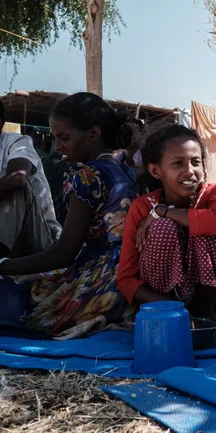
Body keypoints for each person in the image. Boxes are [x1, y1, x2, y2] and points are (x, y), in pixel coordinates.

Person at [0, 93, 136, 336]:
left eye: (64, 138)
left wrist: (4, 266)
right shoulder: (123, 169)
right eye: (55, 138)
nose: (57, 146)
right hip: (128, 278)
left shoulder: (87, 177)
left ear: (93, 134)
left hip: (101, 281)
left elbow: (64, 254)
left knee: (15, 302)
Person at [118, 125, 216, 321]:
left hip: (208, 298)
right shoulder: (142, 208)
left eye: (196, 162)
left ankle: (204, 313)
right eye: (178, 163)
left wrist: (164, 211)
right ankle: (178, 310)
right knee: (163, 228)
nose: (189, 171)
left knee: (204, 226)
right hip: (161, 304)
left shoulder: (214, 194)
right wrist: (172, 309)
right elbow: (126, 279)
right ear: (155, 170)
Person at [0, 100, 61, 258]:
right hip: (12, 241)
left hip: (39, 238)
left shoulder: (16, 141)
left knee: (16, 180)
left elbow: (18, 179)